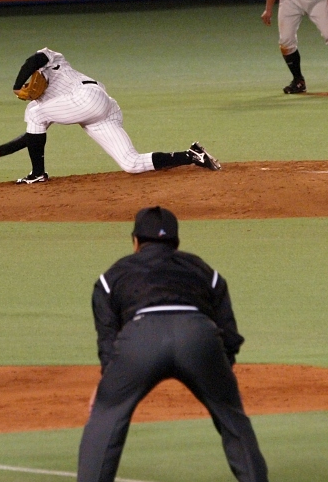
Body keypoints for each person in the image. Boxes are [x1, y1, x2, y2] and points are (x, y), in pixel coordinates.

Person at [76, 206, 269, 482]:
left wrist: (109, 381)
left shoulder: (113, 276)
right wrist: (221, 373)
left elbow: (108, 335)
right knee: (232, 418)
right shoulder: (202, 269)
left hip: (141, 341)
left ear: (135, 242)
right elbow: (228, 331)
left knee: (106, 416)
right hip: (198, 337)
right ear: (176, 242)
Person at [0, 48, 221, 183]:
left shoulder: (51, 62)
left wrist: (17, 85)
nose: (32, 85)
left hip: (89, 96)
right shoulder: (46, 102)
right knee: (131, 164)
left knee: (34, 112)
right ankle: (191, 155)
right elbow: (33, 135)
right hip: (101, 111)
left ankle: (37, 174)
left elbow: (33, 59)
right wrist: (2, 150)